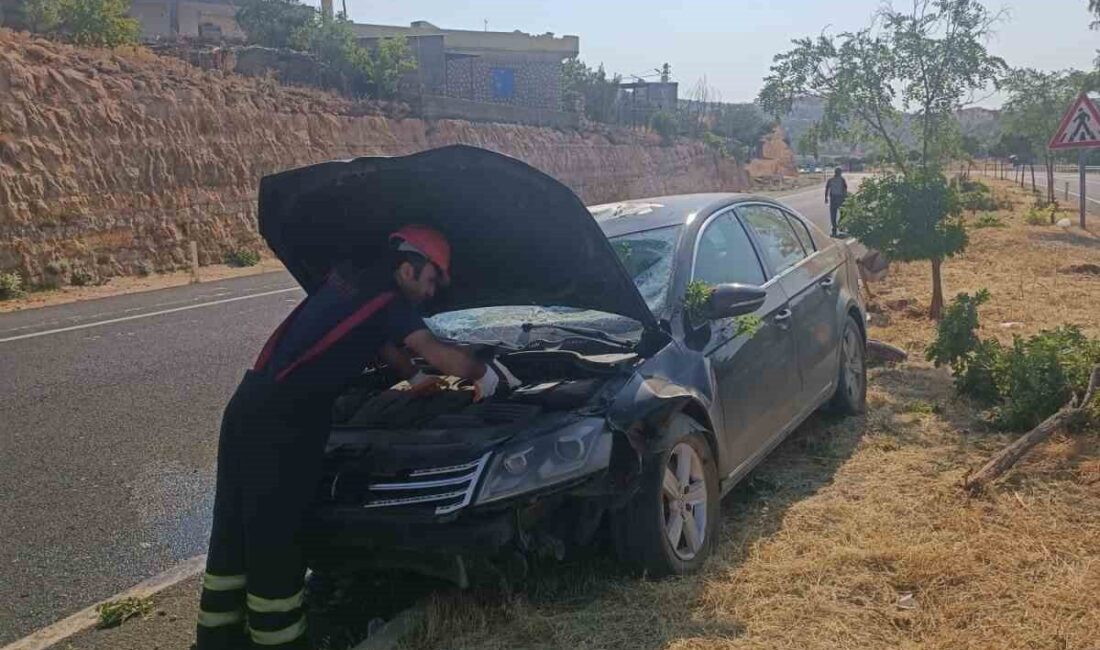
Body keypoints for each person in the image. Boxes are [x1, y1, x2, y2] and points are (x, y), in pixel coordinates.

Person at [195, 225, 518, 650]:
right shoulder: (388, 299)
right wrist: (491, 374)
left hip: (247, 409)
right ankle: (280, 642)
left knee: (231, 540)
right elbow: (438, 351)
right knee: (279, 543)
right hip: (283, 425)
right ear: (408, 269)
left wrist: (416, 378)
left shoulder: (350, 282)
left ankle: (216, 642)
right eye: (433, 279)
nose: (434, 292)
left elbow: (379, 342)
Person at [825, 167, 848, 237]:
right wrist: (845, 197)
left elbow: (827, 189)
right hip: (839, 198)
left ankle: (836, 227)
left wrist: (826, 197)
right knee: (842, 213)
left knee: (834, 214)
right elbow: (845, 189)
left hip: (835, 198)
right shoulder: (841, 180)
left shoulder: (831, 180)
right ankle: (839, 226)